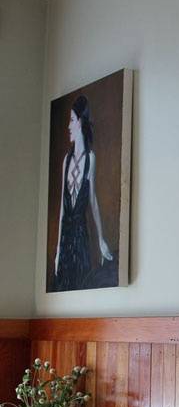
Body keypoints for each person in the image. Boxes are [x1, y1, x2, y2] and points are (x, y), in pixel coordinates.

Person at [54, 95, 112, 291]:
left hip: (81, 240)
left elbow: (93, 201)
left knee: (81, 284)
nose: (68, 126)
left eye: (71, 120)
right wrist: (57, 252)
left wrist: (101, 239)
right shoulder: (66, 161)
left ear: (80, 122)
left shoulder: (90, 159)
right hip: (65, 242)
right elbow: (63, 209)